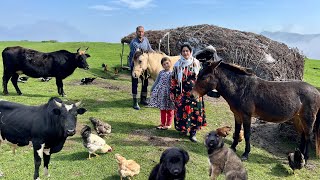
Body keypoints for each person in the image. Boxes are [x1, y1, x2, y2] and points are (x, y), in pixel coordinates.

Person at [170, 43, 207, 142]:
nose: (185, 53)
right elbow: (173, 79)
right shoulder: (177, 65)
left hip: (195, 93)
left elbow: (201, 78)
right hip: (181, 93)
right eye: (183, 51)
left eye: (187, 51)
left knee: (194, 112)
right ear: (181, 53)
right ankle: (184, 129)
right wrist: (173, 91)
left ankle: (193, 133)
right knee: (182, 112)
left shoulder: (196, 63)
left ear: (190, 52)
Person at [128, 26, 154, 110]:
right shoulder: (133, 42)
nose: (141, 33)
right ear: (136, 32)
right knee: (135, 84)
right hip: (135, 65)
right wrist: (145, 53)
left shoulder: (146, 40)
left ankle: (143, 99)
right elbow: (138, 53)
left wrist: (157, 54)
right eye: (139, 31)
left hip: (143, 65)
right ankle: (135, 102)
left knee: (145, 82)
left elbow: (149, 49)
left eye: (142, 31)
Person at [148, 57, 175, 130]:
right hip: (161, 93)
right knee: (162, 108)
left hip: (169, 94)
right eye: (164, 64)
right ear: (162, 66)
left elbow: (175, 83)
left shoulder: (172, 73)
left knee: (170, 109)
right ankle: (162, 123)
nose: (166, 65)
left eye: (167, 63)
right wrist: (152, 89)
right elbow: (156, 81)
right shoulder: (161, 73)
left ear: (170, 63)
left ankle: (168, 124)